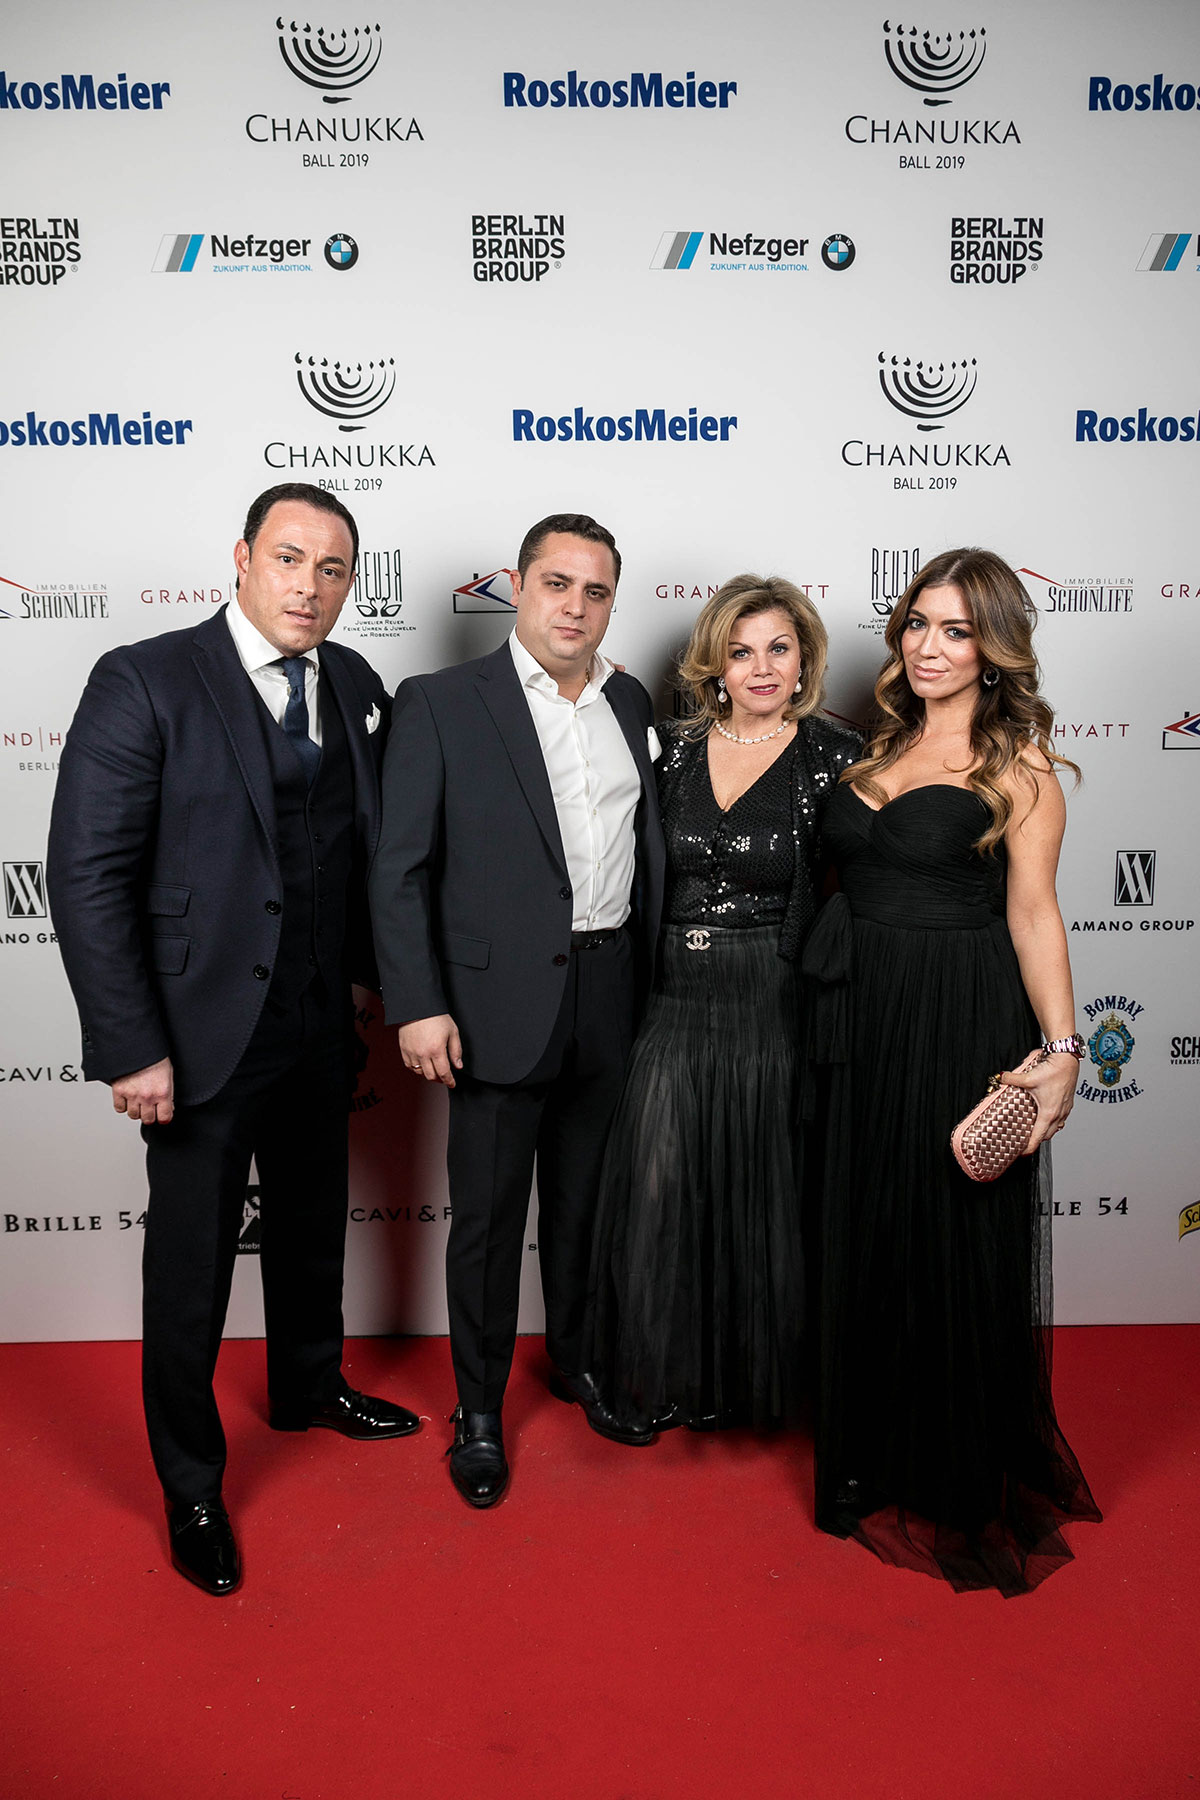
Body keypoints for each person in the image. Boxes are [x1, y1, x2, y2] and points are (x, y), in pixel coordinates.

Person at [47, 482, 420, 1597]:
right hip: (198, 1030)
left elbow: (358, 852)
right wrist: (131, 1046)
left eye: (333, 569)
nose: (310, 587)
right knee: (192, 1266)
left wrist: (368, 981)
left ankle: (308, 1385)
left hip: (317, 1018)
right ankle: (192, 1484)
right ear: (244, 558)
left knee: (310, 1223)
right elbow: (87, 874)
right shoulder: (145, 677)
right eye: (290, 559)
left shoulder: (353, 682)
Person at [804, 547, 1101, 1595]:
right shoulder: (876, 742)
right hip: (858, 1012)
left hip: (958, 1011)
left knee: (947, 1232)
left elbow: (1035, 916)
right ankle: (863, 1450)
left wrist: (1062, 1054)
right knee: (867, 1225)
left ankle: (951, 1467)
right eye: (919, 625)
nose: (930, 647)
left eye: (958, 630)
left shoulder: (1022, 767)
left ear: (994, 648)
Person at [368, 512, 665, 1506]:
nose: (575, 606)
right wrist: (418, 1003)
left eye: (596, 591)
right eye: (557, 584)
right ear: (519, 586)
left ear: (612, 603)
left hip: (609, 990)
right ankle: (481, 1411)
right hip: (493, 1004)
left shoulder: (631, 701)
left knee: (587, 1209)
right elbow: (399, 869)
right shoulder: (443, 702)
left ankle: (578, 1365)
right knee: (491, 1225)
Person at [586, 576, 859, 1430]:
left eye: (779, 648)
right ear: (715, 664)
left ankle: (742, 1385)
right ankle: (662, 1377)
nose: (761, 667)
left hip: (771, 993)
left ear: (805, 659)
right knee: (661, 1183)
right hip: (672, 990)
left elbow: (868, 887)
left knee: (759, 1189)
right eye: (741, 652)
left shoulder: (836, 756)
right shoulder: (667, 748)